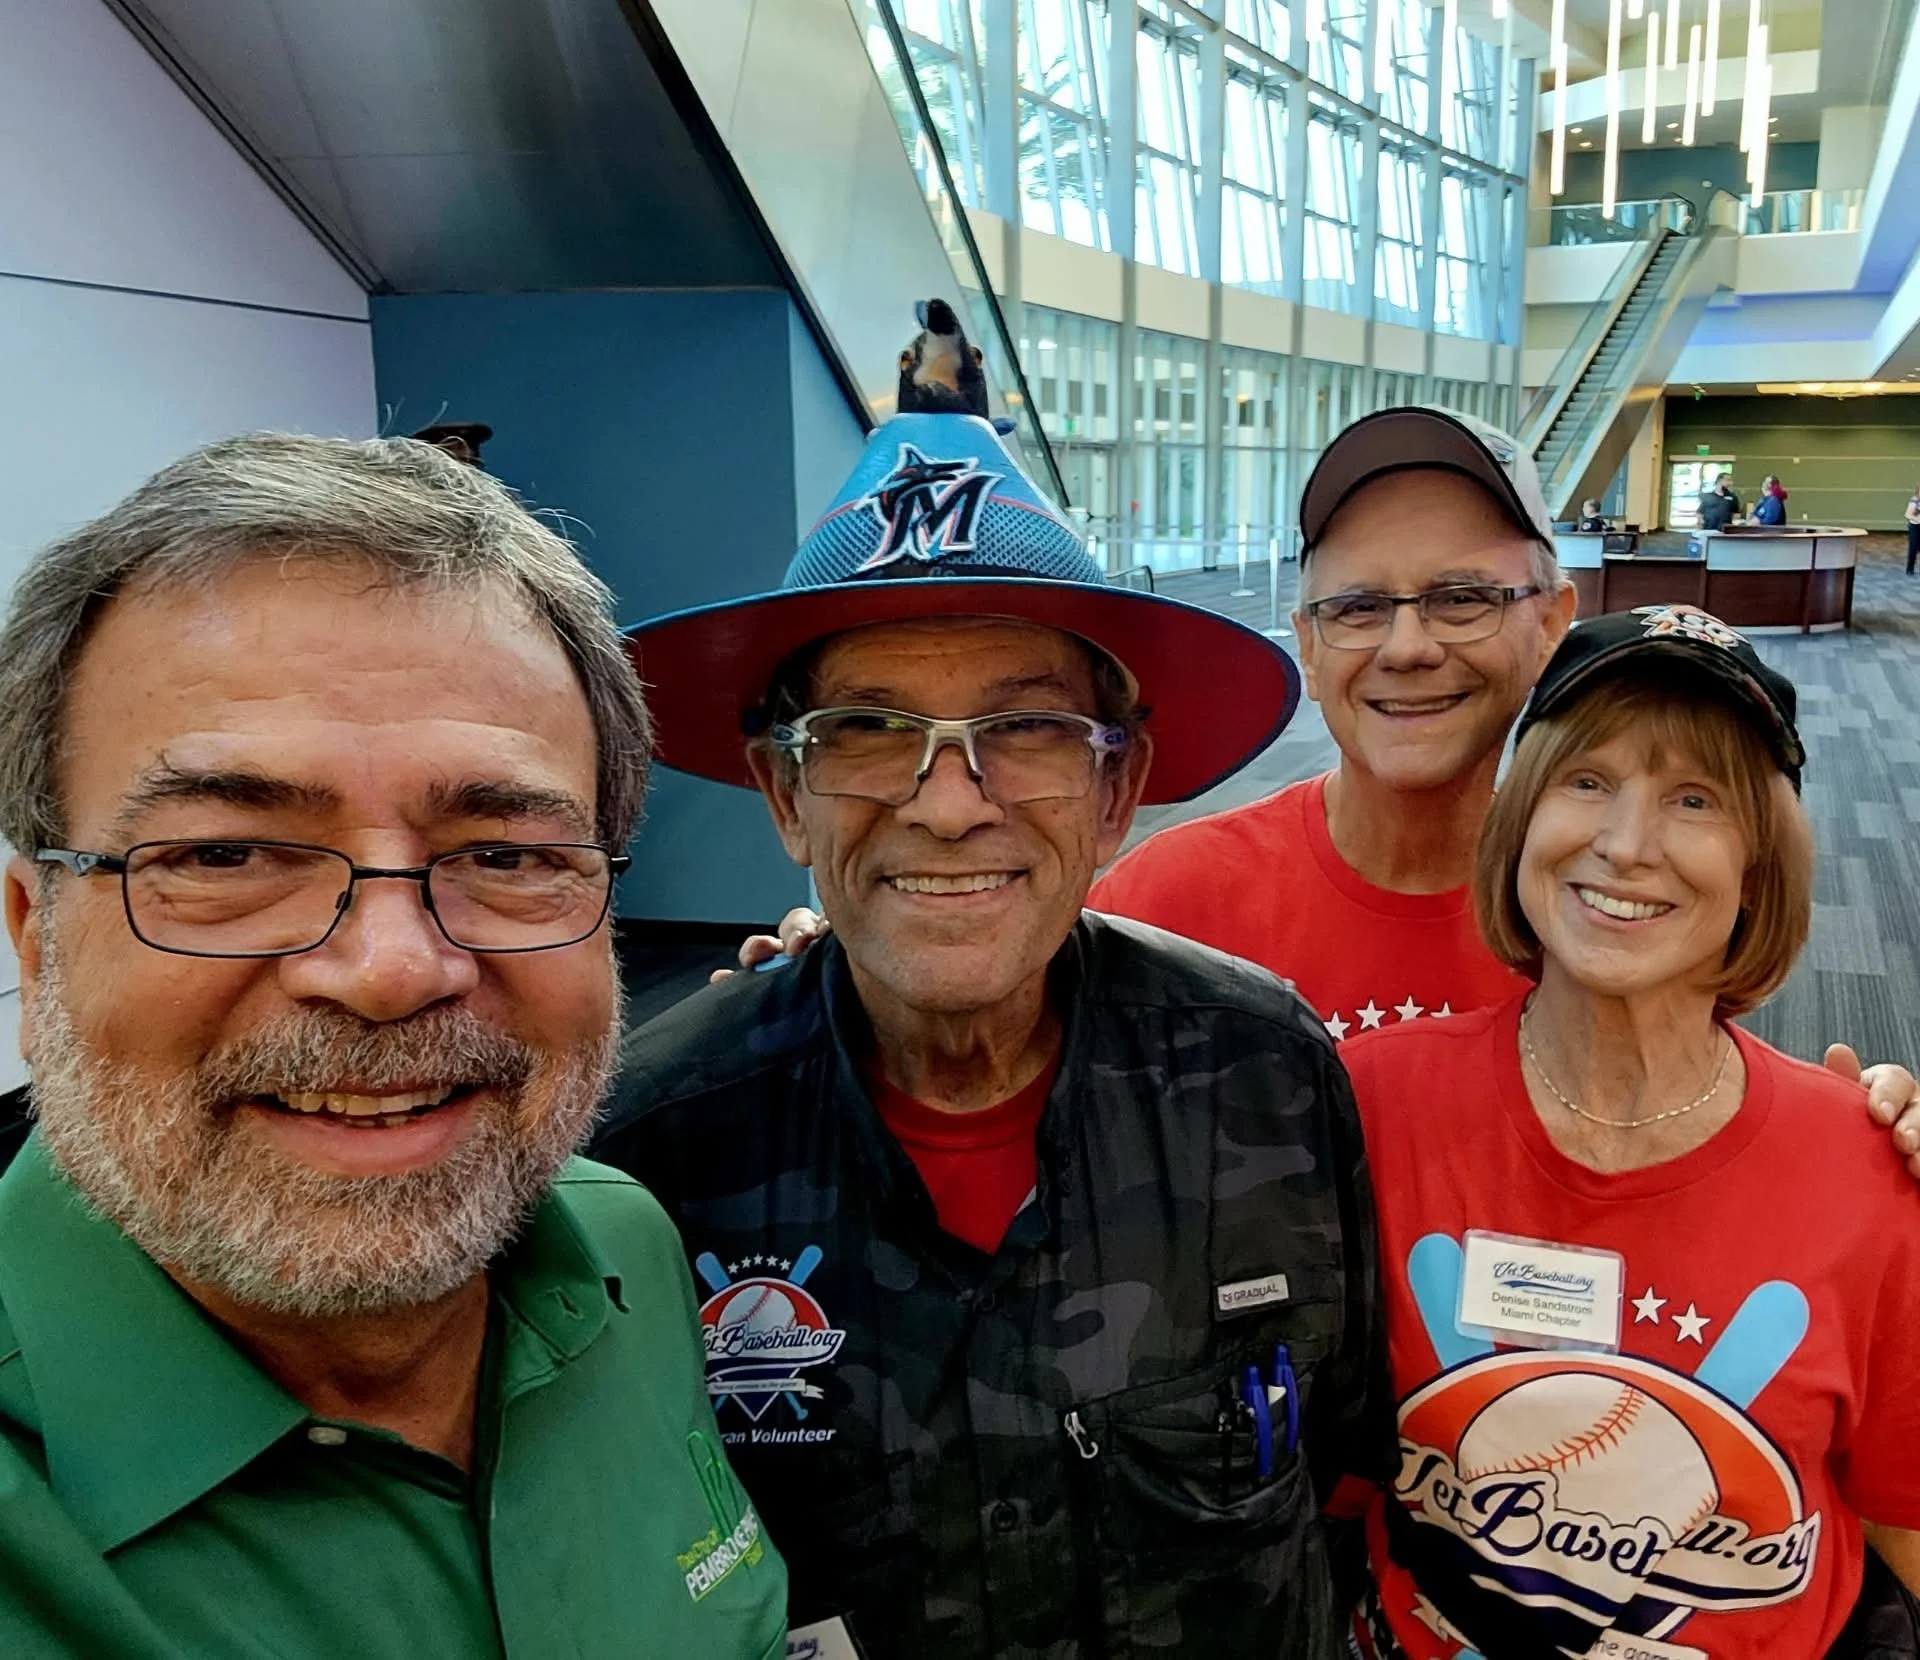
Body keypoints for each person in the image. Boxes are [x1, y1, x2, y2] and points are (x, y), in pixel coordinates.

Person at [594, 410, 1392, 1658]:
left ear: (1117, 791)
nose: (951, 805)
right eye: (870, 731)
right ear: (786, 794)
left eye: (1026, 731)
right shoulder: (648, 1161)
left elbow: (1337, 1463)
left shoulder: (1267, 1077)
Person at [0, 435, 786, 1658]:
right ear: (36, 933)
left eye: (507, 855)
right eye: (225, 855)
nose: (391, 969)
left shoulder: (624, 1250)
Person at [740, 408, 1920, 1170]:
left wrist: (1860, 1130)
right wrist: (842, 979)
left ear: (1554, 619)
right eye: (1357, 607)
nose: (1407, 647)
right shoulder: (1164, 898)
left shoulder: (1622, 908)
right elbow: (974, 1017)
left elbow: (1698, 1135)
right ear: (1306, 639)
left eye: (1462, 598)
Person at [1342, 606, 1920, 1658]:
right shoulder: (1368, 1103)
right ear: (1522, 821)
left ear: (1759, 865)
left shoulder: (1869, 1172)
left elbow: (1903, 1513)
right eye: (1587, 780)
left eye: (1695, 799)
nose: (1625, 844)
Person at [1905, 482, 1920, 575]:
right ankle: (1910, 569)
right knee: (1913, 548)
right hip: (1915, 526)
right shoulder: (1914, 500)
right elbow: (1907, 514)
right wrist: (1918, 520)